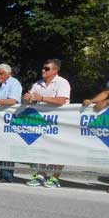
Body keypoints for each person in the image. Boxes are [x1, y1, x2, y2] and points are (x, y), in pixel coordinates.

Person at [24, 59, 71, 188]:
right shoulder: (37, 84)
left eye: (47, 68)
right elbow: (31, 100)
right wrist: (27, 99)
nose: (43, 70)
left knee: (58, 149)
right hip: (41, 122)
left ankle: (55, 178)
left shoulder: (62, 83)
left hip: (59, 122)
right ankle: (40, 175)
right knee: (39, 146)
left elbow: (61, 100)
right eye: (43, 68)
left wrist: (41, 98)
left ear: (55, 70)